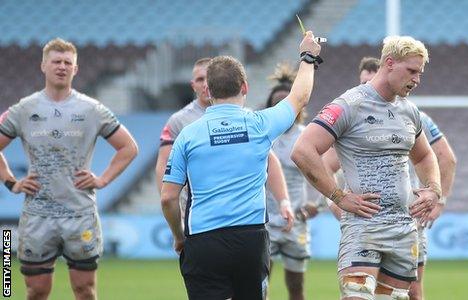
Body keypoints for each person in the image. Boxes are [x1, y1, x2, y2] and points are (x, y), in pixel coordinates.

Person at [160, 31, 321, 299]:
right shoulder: (260, 125)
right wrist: (308, 56)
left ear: (208, 90)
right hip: (250, 239)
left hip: (203, 239)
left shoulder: (187, 135)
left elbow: (168, 198)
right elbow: (300, 96)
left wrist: (179, 236)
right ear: (245, 87)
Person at [291, 36, 442, 300]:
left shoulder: (410, 111)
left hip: (403, 231)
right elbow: (303, 150)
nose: (417, 79)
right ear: (390, 63)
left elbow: (425, 157)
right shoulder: (350, 105)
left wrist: (433, 190)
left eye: (420, 73)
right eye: (412, 71)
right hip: (364, 229)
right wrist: (338, 196)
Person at [0, 38, 138, 300]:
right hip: (37, 216)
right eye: (56, 61)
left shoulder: (92, 109)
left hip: (80, 214)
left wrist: (103, 179)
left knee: (85, 290)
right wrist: (11, 182)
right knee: (36, 291)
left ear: (75, 69)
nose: (62, 67)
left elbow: (129, 147)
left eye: (67, 63)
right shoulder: (23, 108)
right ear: (43, 65)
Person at [324, 56, 456, 300]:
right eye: (363, 81)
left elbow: (444, 157)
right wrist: (334, 199)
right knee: (359, 293)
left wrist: (438, 197)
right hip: (367, 221)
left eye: (370, 80)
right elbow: (323, 162)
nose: (366, 86)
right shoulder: (352, 109)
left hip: (406, 220)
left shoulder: (415, 115)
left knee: (413, 292)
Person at [155, 58, 292, 233]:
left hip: (243, 218)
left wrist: (283, 200)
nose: (204, 83)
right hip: (197, 215)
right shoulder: (178, 121)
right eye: (199, 79)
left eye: (207, 78)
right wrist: (172, 211)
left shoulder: (246, 117)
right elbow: (163, 165)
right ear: (193, 85)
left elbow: (270, 161)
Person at [264, 63, 317, 300]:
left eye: (286, 102)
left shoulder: (307, 135)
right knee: (259, 286)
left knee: (297, 287)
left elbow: (329, 171)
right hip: (263, 221)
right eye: (276, 102)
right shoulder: (262, 134)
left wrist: (318, 203)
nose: (281, 106)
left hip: (296, 222)